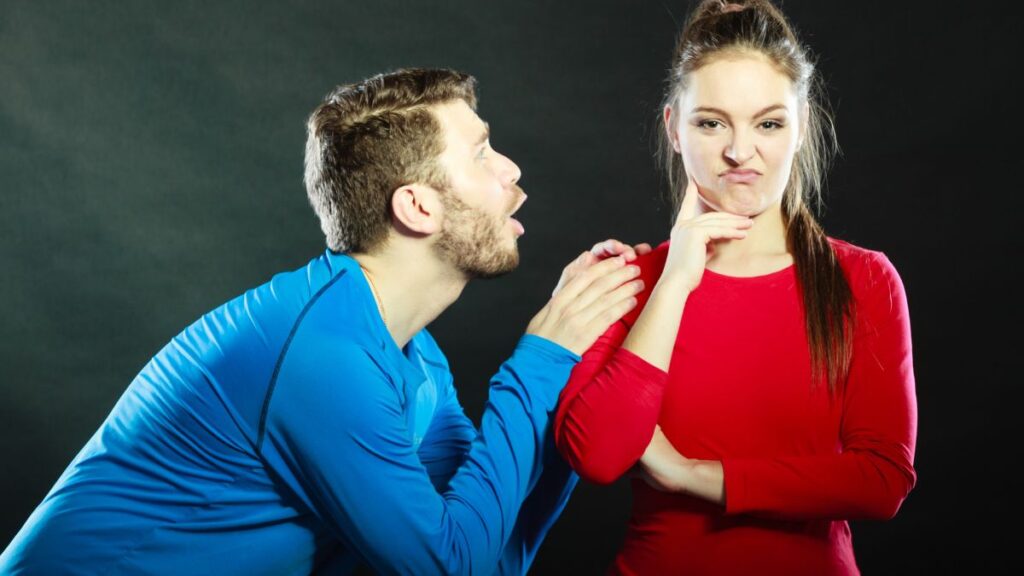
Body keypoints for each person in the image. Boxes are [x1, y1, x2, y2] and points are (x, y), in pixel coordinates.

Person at [0, 68, 647, 575]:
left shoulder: (413, 356)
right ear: (417, 206)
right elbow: (450, 566)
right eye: (481, 154)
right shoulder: (324, 356)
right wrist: (539, 362)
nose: (511, 169)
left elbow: (490, 555)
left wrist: (575, 384)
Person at [553, 1, 918, 574]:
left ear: (800, 128)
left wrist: (696, 476)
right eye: (711, 122)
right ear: (674, 128)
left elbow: (882, 479)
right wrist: (673, 279)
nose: (739, 152)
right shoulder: (630, 281)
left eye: (768, 123)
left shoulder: (865, 279)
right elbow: (597, 455)